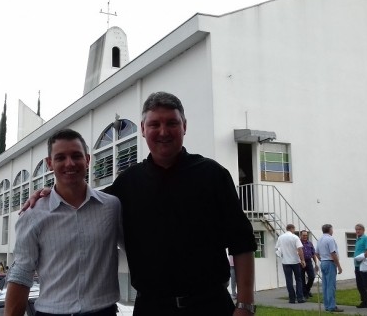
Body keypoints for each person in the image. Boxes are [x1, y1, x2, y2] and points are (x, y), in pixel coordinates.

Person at [22, 92, 257, 315]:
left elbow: (242, 243)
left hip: (210, 305)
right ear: (143, 130)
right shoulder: (127, 184)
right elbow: (84, 198)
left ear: (184, 126)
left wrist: (245, 305)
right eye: (154, 124)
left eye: (172, 123)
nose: (163, 131)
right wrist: (50, 192)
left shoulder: (213, 175)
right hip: (151, 308)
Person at [5, 129, 122, 316]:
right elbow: (22, 273)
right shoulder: (33, 214)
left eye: (76, 156)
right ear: (50, 163)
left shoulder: (112, 206)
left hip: (103, 312)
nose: (70, 163)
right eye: (60, 158)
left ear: (88, 160)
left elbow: (136, 250)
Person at [315, 224, 344, 312]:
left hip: (323, 262)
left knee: (325, 285)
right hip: (330, 262)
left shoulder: (320, 239)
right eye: (332, 229)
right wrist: (338, 266)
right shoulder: (330, 239)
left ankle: (327, 305)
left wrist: (321, 260)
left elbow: (316, 253)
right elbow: (333, 253)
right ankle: (332, 306)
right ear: (330, 230)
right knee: (331, 285)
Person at [275, 224, 306, 304]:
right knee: (298, 279)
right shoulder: (295, 237)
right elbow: (300, 250)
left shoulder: (281, 237)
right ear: (292, 229)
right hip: (295, 261)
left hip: (285, 262)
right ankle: (300, 297)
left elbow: (277, 248)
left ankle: (292, 298)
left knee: (289, 280)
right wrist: (302, 260)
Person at [300, 230, 318, 299]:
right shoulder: (298, 243)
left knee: (312, 276)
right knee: (302, 278)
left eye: (306, 235)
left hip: (309, 261)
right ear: (301, 235)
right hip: (300, 262)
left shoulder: (309, 243)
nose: (305, 237)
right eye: (303, 235)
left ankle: (307, 290)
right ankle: (305, 293)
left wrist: (316, 263)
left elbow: (313, 254)